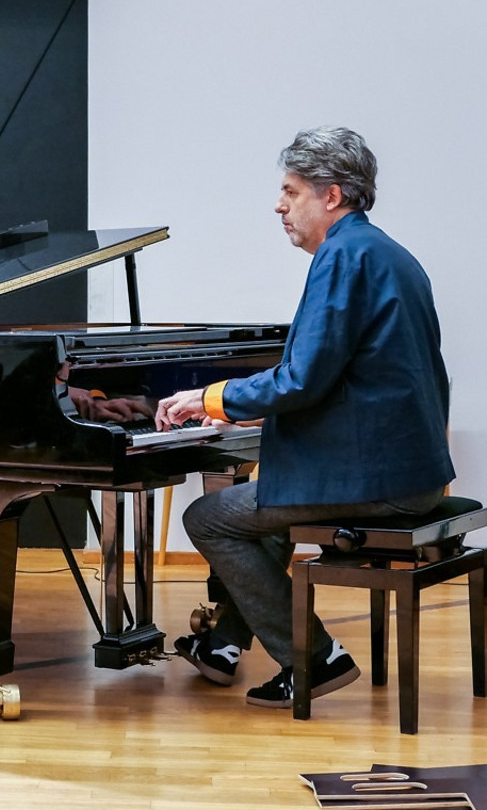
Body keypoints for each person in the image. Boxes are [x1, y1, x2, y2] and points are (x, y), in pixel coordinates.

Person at [158, 126, 453, 709]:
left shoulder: (342, 257)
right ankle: (222, 644)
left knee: (209, 518)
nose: (279, 205)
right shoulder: (387, 253)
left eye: (291, 192)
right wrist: (248, 415)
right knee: (270, 507)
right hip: (412, 470)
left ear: (332, 195)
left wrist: (211, 398)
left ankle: (314, 658)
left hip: (378, 483)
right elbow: (352, 380)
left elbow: (301, 380)